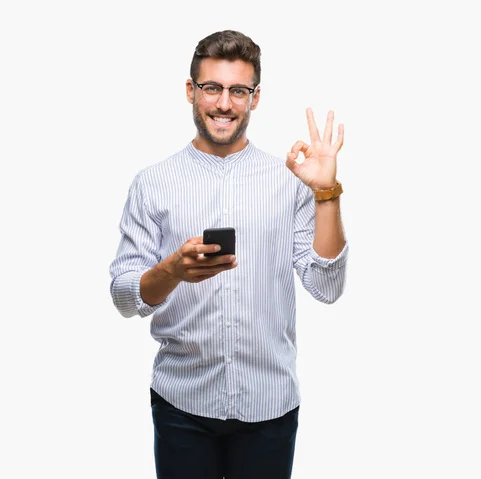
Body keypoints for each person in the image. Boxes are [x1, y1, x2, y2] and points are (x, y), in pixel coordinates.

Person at [109, 30, 348, 479]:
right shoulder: (153, 183)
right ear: (190, 91)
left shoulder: (288, 180)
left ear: (255, 98)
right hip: (182, 403)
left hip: (270, 406)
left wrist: (325, 194)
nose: (224, 104)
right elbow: (124, 296)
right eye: (212, 88)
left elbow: (327, 286)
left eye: (238, 90)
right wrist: (172, 270)